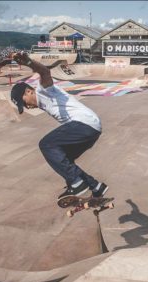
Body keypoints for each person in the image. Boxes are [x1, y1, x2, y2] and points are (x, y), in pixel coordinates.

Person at [10, 52, 108, 200]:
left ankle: (77, 183)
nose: (28, 107)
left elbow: (44, 72)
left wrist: (29, 62)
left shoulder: (43, 91)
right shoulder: (42, 101)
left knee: (46, 144)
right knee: (63, 159)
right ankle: (95, 186)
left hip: (84, 124)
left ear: (29, 91)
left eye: (24, 103)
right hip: (92, 129)